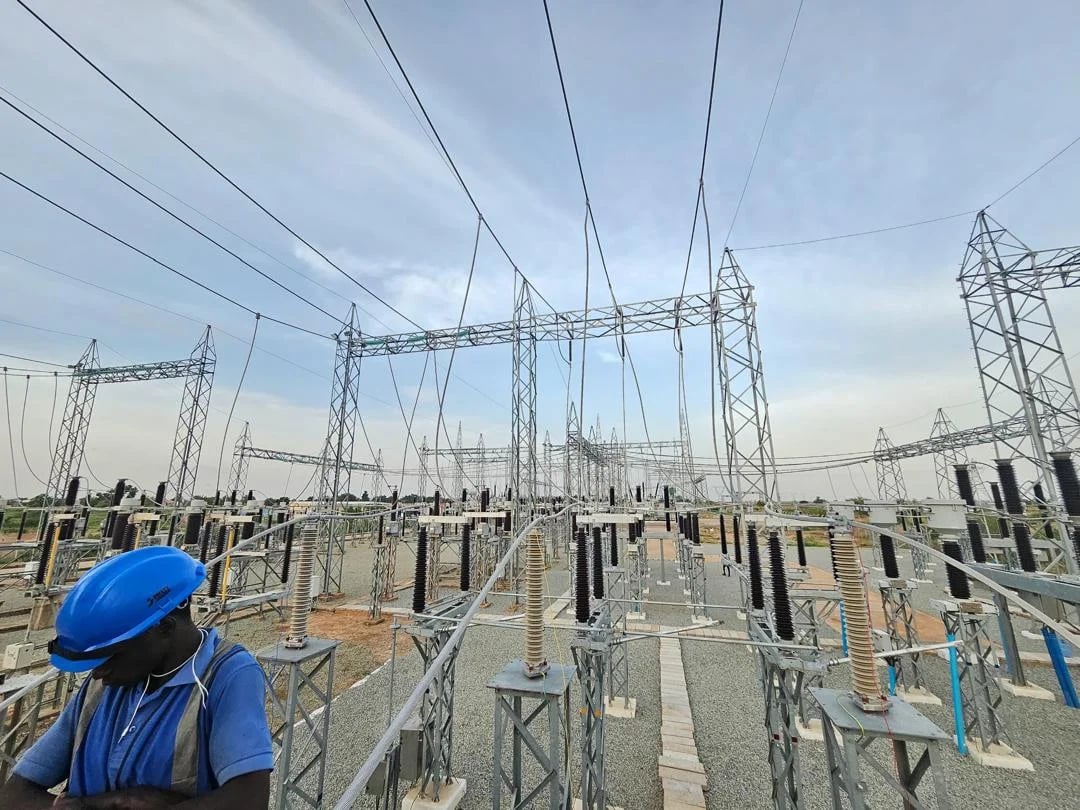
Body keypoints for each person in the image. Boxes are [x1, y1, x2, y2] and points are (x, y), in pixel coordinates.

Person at [0, 546, 273, 809]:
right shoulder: (104, 684)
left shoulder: (226, 675)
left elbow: (247, 799)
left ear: (164, 628)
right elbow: (15, 793)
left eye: (110, 657)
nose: (97, 672)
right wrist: (118, 802)